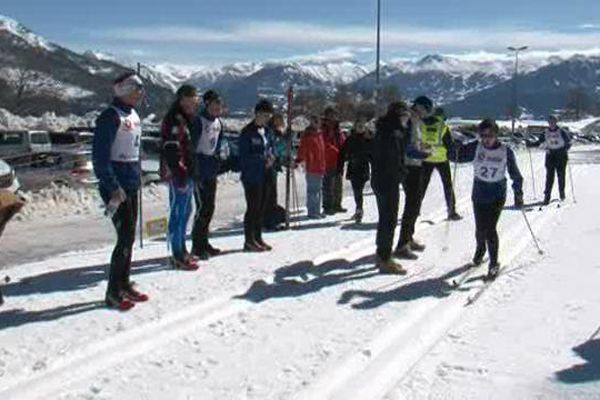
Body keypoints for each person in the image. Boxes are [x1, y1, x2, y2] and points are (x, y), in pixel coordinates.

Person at [92, 72, 148, 311]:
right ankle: (113, 291)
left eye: (141, 88)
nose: (139, 92)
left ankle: (124, 283)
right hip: (116, 186)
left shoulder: (133, 115)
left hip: (131, 183)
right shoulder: (110, 116)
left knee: (129, 238)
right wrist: (113, 186)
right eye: (135, 88)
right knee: (123, 239)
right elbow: (100, 157)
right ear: (122, 89)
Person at [457, 118, 524, 280]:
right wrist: (454, 147)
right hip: (479, 193)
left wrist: (518, 192)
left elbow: (515, 174)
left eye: (490, 135)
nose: (486, 139)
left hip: (496, 194)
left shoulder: (505, 151)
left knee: (489, 229)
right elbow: (457, 156)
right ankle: (480, 250)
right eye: (483, 135)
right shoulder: (476, 147)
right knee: (480, 229)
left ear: (496, 135)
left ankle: (494, 263)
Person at [160, 84, 200, 270]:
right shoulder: (175, 120)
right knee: (178, 211)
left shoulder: (186, 119)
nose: (194, 104)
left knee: (187, 210)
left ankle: (182, 248)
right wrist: (180, 173)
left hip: (187, 171)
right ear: (182, 100)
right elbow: (172, 149)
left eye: (195, 101)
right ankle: (176, 253)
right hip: (178, 174)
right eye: (190, 101)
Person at [371, 102, 414, 274]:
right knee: (389, 219)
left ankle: (382, 254)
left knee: (385, 219)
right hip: (387, 180)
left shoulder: (384, 129)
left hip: (381, 179)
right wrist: (402, 173)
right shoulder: (393, 133)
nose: (407, 119)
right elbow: (394, 159)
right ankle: (384, 257)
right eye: (405, 115)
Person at [394, 101, 433, 260]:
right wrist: (423, 154)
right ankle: (402, 244)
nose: (425, 115)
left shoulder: (416, 122)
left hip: (415, 165)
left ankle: (408, 237)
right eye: (426, 111)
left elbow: (413, 143)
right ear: (420, 108)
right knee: (412, 204)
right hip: (409, 166)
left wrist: (422, 146)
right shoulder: (409, 121)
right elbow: (407, 148)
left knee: (415, 203)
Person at [190, 90, 225, 260]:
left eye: (220, 104)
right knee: (202, 208)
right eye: (215, 104)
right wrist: (195, 170)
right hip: (200, 168)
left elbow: (218, 144)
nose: (218, 107)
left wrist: (218, 160)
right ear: (207, 104)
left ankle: (204, 242)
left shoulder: (218, 122)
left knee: (210, 208)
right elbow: (192, 147)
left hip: (211, 168)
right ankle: (197, 245)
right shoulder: (199, 121)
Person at [416, 96, 462, 221]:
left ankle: (414, 211)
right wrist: (455, 148)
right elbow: (449, 145)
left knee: (421, 187)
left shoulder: (419, 125)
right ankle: (451, 211)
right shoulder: (442, 126)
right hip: (441, 159)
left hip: (426, 159)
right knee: (447, 186)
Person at [239, 99, 276, 252]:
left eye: (269, 116)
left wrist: (273, 156)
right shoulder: (247, 132)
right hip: (252, 175)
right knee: (253, 208)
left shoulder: (268, 131)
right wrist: (262, 159)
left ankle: (258, 236)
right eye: (264, 115)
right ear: (257, 114)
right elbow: (244, 156)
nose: (267, 118)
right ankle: (249, 240)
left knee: (262, 207)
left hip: (267, 173)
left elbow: (272, 147)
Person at [340, 115, 373, 223]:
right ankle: (359, 209)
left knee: (358, 189)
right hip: (353, 166)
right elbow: (344, 151)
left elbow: (372, 152)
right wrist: (345, 159)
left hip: (363, 167)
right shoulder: (351, 138)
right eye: (358, 125)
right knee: (356, 190)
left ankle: (359, 210)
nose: (360, 127)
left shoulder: (368, 138)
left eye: (361, 126)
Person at [296, 115, 326, 219]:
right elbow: (302, 149)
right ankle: (312, 211)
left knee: (318, 190)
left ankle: (317, 210)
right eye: (315, 121)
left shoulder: (320, 134)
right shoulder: (308, 135)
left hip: (320, 166)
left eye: (318, 121)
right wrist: (300, 159)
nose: (317, 123)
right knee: (313, 190)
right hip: (312, 166)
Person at [263, 112, 287, 230]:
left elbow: (280, 150)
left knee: (272, 194)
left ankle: (271, 218)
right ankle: (268, 220)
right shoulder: (269, 132)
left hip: (273, 167)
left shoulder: (276, 133)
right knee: (269, 195)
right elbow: (274, 149)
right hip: (267, 167)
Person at [321, 107, 346, 215]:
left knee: (338, 184)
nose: (333, 117)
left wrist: (344, 150)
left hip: (339, 160)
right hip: (328, 159)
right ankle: (328, 206)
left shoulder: (338, 128)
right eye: (330, 115)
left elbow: (342, 140)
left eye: (334, 115)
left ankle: (337, 204)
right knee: (328, 184)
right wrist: (336, 150)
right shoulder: (324, 128)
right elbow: (325, 143)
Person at [542, 115, 571, 205]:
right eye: (550, 122)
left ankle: (561, 193)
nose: (551, 124)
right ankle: (547, 196)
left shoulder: (562, 131)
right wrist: (530, 144)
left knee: (561, 175)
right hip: (550, 155)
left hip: (560, 155)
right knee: (549, 177)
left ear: (556, 122)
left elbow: (569, 142)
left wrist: (565, 149)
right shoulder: (546, 132)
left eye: (553, 122)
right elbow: (540, 142)